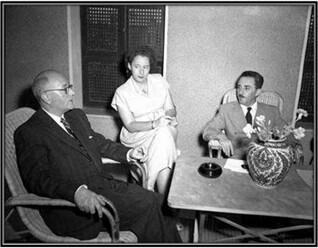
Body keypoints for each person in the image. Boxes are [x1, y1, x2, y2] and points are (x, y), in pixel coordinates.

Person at [14, 69, 182, 243]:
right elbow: (38, 179)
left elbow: (98, 142)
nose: (72, 92)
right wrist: (77, 192)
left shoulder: (75, 116)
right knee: (151, 205)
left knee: (159, 203)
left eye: (70, 87)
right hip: (76, 207)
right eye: (65, 89)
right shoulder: (29, 132)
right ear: (46, 97)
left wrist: (129, 153)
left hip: (103, 185)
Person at [111, 47, 178, 195]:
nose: (141, 71)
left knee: (163, 134)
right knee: (165, 143)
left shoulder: (159, 81)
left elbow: (172, 110)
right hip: (137, 134)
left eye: (145, 67)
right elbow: (130, 125)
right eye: (137, 66)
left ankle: (149, 184)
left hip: (163, 127)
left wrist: (167, 116)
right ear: (129, 66)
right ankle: (165, 202)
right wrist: (154, 123)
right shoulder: (122, 92)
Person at [202, 70, 286, 159]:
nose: (240, 92)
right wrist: (221, 137)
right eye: (239, 87)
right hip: (236, 160)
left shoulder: (272, 111)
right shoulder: (226, 109)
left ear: (257, 92)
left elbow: (288, 133)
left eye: (246, 88)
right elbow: (208, 130)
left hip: (265, 160)